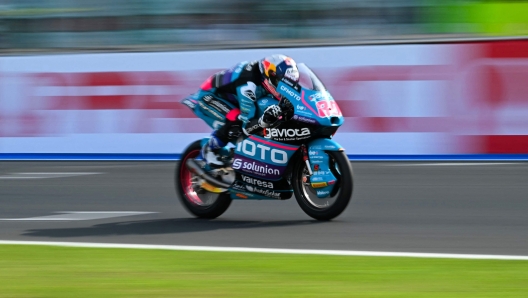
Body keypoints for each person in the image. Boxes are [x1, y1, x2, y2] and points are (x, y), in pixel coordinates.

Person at [196, 54, 300, 167]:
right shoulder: (248, 85)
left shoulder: (266, 77)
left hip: (234, 95)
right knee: (237, 122)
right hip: (211, 96)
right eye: (282, 82)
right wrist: (262, 121)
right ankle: (209, 148)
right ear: (270, 76)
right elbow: (247, 126)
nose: (286, 86)